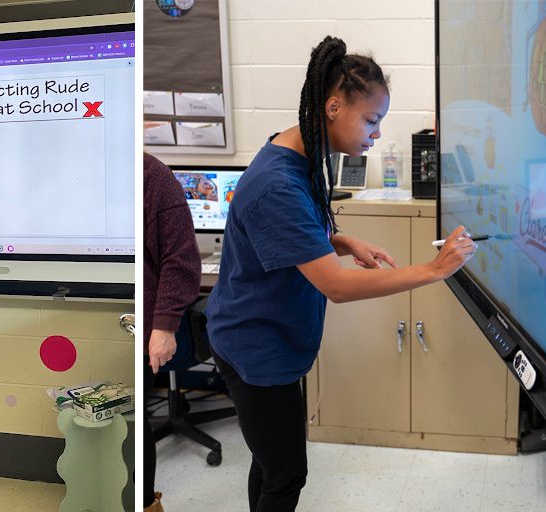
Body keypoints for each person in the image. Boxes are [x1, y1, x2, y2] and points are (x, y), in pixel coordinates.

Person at [205, 36, 477, 512]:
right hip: (256, 348)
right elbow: (337, 286)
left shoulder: (297, 150)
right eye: (371, 120)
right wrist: (434, 270)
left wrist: (339, 240)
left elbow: (285, 235)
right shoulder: (277, 182)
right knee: (287, 475)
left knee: (270, 464)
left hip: (271, 341)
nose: (375, 134)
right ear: (333, 106)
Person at [142, 153, 201, 512]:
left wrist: (163, 326)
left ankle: (147, 503)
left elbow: (180, 258)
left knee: (135, 427)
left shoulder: (151, 175)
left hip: (137, 324)